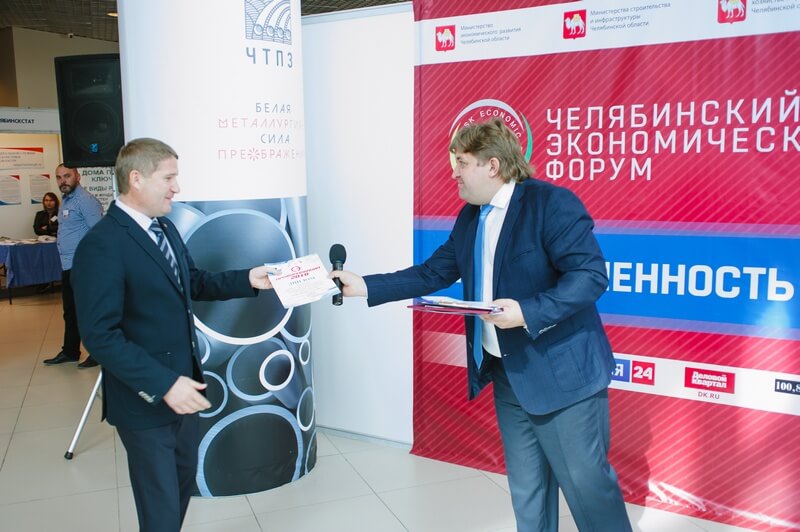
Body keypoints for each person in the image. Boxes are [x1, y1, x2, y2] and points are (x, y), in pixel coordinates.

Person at [328, 118, 632, 532]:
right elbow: (432, 273)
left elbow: (590, 276)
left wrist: (527, 311)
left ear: (493, 165)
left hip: (563, 376)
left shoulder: (550, 203)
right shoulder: (471, 217)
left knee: (587, 489)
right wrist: (363, 285)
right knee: (528, 491)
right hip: (508, 373)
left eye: (462, 162)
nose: (453, 172)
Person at [71, 138, 273, 532]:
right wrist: (164, 384)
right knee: (160, 509)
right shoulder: (102, 245)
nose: (176, 188)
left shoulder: (164, 228)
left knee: (177, 494)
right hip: (146, 399)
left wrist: (248, 278)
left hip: (184, 392)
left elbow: (193, 282)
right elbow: (100, 335)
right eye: (168, 178)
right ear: (136, 179)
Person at [42, 164, 103, 368]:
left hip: (83, 266)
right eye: (59, 177)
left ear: (77, 176)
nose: (63, 181)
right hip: (68, 265)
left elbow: (99, 234)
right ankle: (70, 351)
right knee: (70, 311)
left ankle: (98, 353)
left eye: (67, 176)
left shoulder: (85, 200)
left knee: (88, 311)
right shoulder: (66, 200)